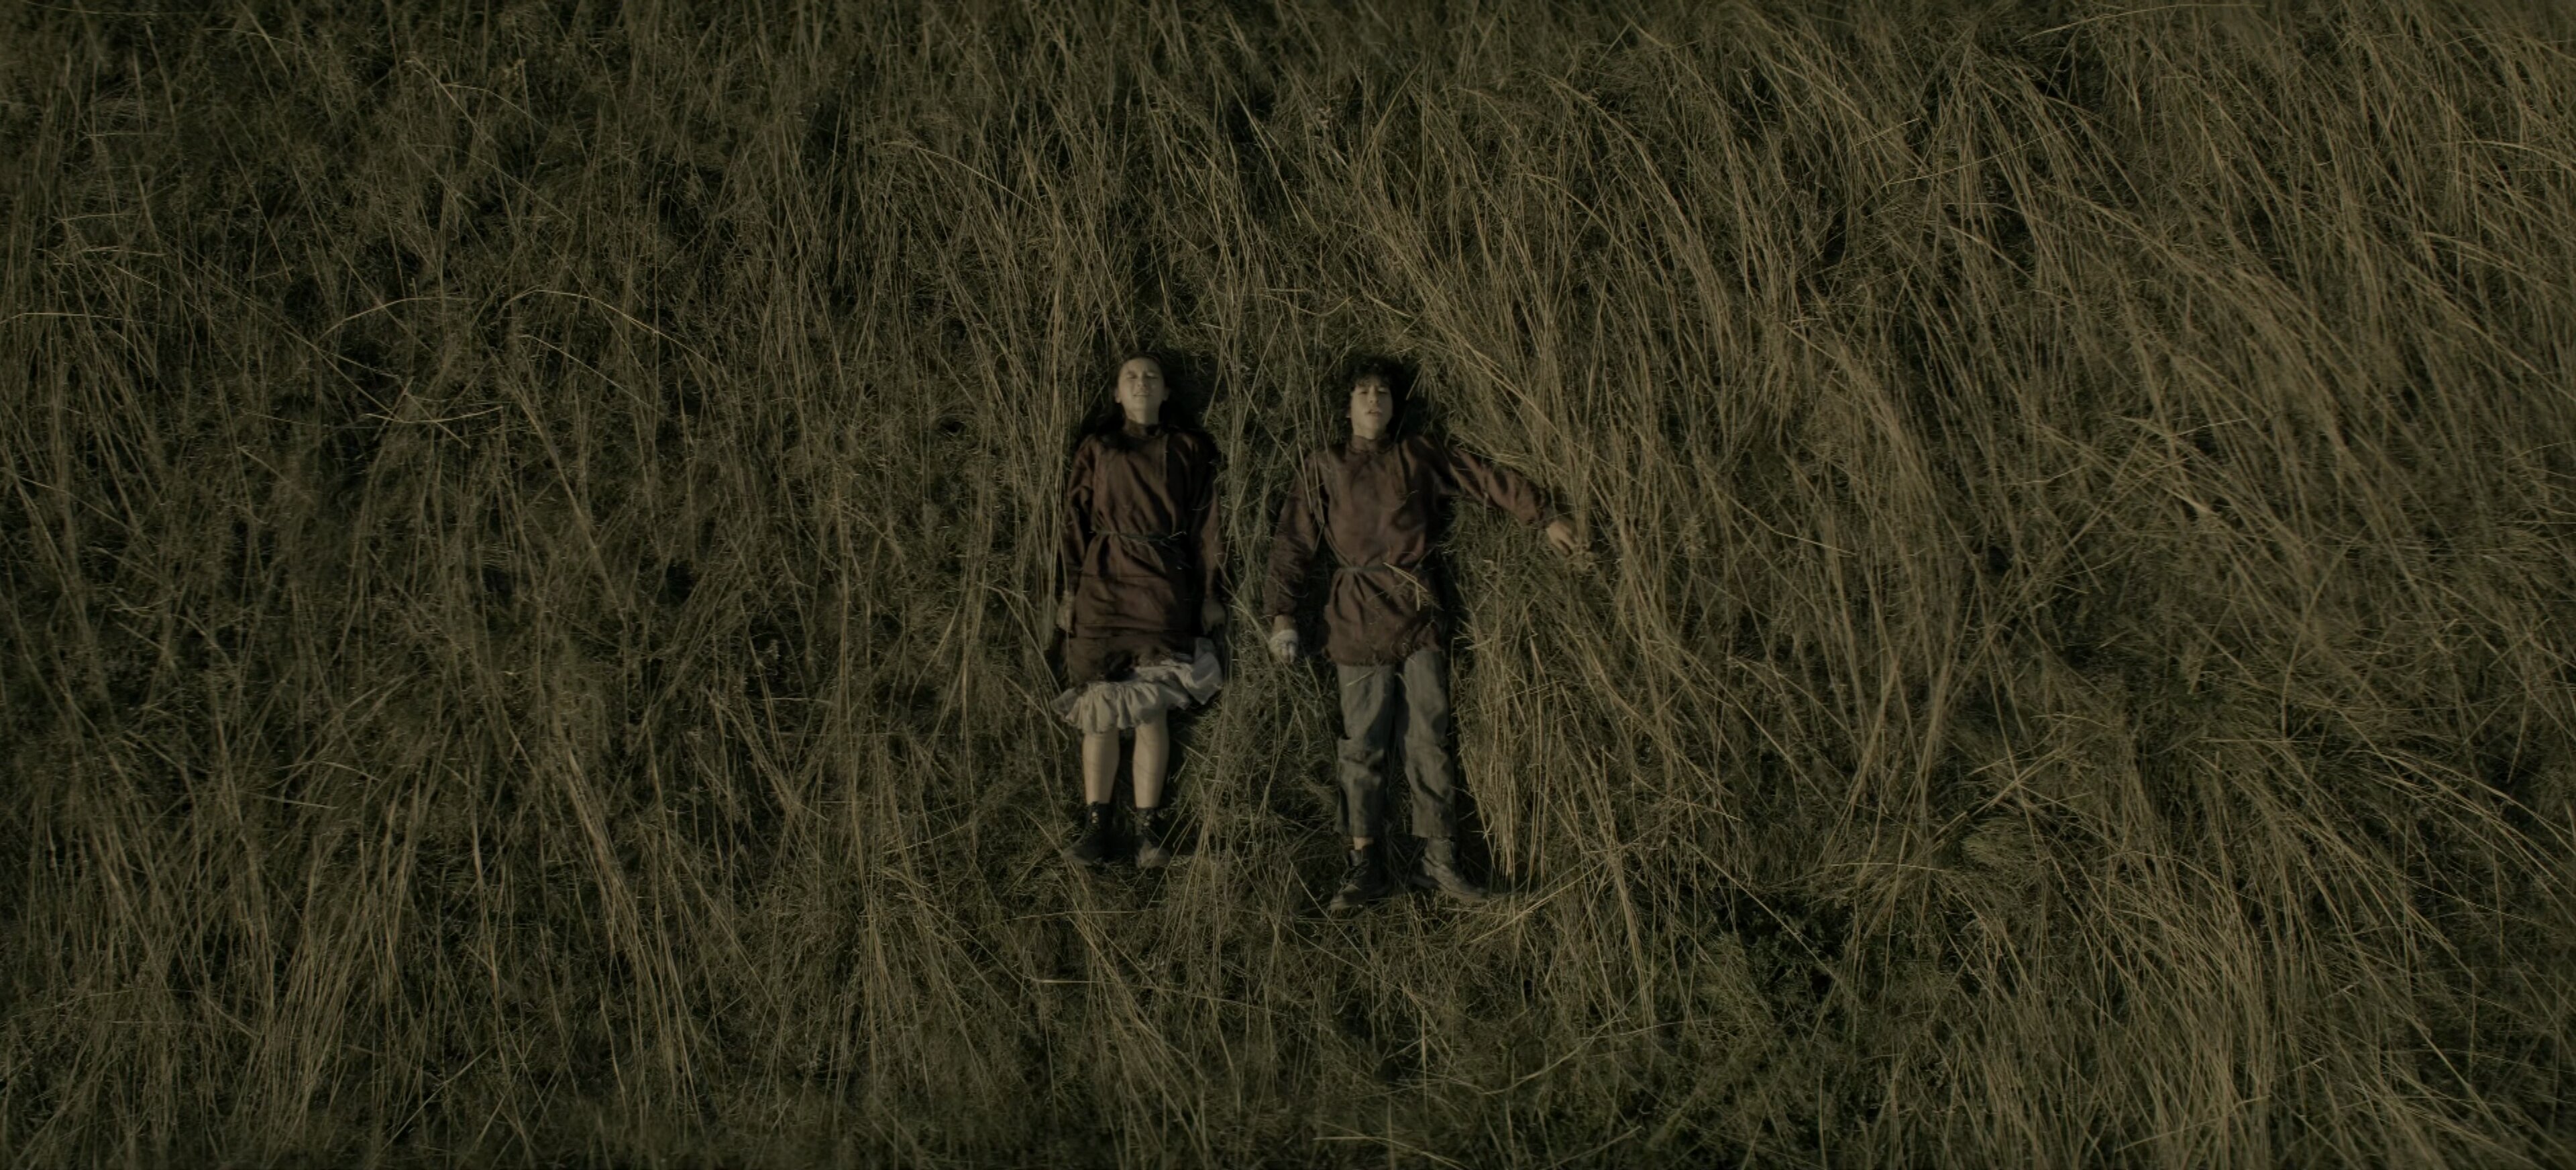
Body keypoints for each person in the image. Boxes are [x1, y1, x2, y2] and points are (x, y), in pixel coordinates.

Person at [1263, 357, 1580, 913]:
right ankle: (1364, 866)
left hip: (1417, 611)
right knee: (1363, 744)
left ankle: (1439, 861)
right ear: (1347, 407)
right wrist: (1282, 615)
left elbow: (1485, 479)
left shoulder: (1420, 456)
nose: (1373, 400)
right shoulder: (1324, 465)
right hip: (1355, 616)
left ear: (1395, 406)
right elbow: (1293, 542)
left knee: (1428, 738)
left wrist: (1544, 516)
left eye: (1383, 392)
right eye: (1362, 392)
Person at [1052, 355, 1226, 869]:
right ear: (1116, 393)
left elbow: (1208, 526)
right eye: (1130, 376)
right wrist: (1069, 590)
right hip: (1102, 582)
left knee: (1151, 708)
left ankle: (1150, 834)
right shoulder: (1099, 447)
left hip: (1161, 584)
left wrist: (1210, 592)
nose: (1141, 382)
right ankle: (1096, 830)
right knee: (1100, 708)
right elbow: (1073, 519)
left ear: (1167, 391)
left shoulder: (1189, 448)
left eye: (1151, 376)